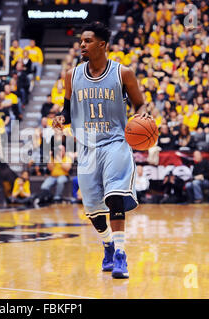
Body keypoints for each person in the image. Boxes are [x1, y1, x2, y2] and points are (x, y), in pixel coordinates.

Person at [52, 22, 149, 279]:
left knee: (114, 197)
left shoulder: (123, 73)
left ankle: (120, 254)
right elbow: (67, 109)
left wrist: (141, 118)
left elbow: (139, 105)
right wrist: (62, 119)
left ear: (102, 45)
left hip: (116, 142)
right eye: (81, 41)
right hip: (86, 147)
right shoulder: (71, 75)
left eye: (87, 41)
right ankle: (107, 245)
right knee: (93, 208)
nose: (81, 45)